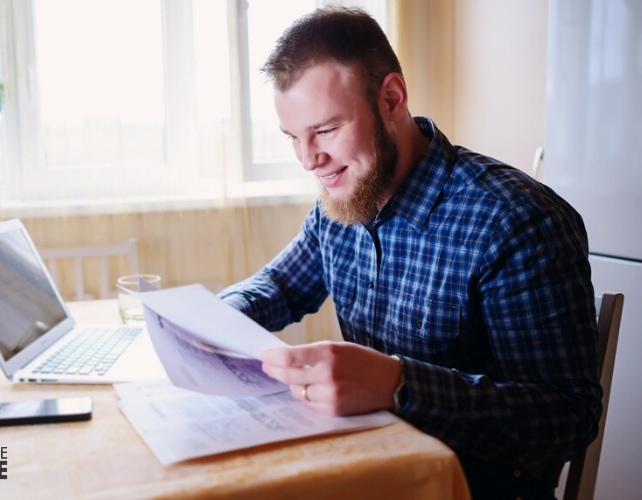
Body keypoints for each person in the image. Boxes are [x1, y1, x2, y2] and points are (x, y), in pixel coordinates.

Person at [218, 6, 601, 499]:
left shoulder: (515, 220)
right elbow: (279, 286)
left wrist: (400, 385)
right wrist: (221, 316)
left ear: (391, 99)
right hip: (370, 468)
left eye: (326, 130)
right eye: (294, 137)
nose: (309, 160)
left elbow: (568, 416)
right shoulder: (341, 202)